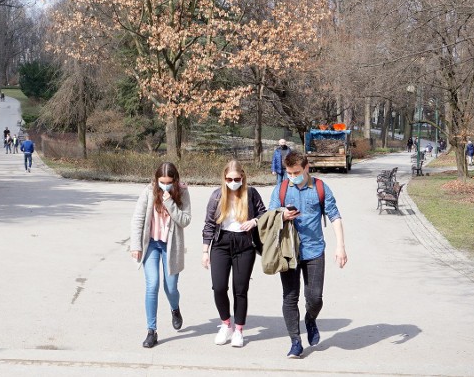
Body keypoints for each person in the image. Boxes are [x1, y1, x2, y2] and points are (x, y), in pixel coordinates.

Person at [269, 151, 347, 359]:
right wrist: (282, 215)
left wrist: (340, 246)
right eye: (288, 173)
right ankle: (295, 341)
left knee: (315, 298)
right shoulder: (282, 188)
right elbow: (269, 216)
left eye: (296, 172)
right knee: (290, 297)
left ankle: (310, 319)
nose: (292, 176)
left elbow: (335, 216)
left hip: (314, 251)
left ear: (306, 168)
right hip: (288, 251)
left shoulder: (320, 188)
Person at [202, 160, 266, 348]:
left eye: (236, 178)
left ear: (243, 177)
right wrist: (205, 251)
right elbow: (209, 224)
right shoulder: (216, 196)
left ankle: (238, 329)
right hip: (221, 244)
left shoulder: (251, 193)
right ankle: (225, 324)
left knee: (240, 289)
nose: (232, 182)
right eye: (229, 179)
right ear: (224, 178)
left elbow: (264, 214)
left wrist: (254, 221)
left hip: (244, 244)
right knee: (219, 287)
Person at [130, 162, 192, 349]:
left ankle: (175, 309)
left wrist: (169, 202)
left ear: (175, 180)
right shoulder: (149, 191)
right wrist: (135, 245)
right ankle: (151, 331)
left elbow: (185, 220)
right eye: (162, 182)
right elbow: (137, 219)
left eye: (169, 182)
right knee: (152, 285)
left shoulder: (182, 192)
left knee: (171, 288)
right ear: (156, 180)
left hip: (171, 246)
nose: (165, 185)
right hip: (151, 245)